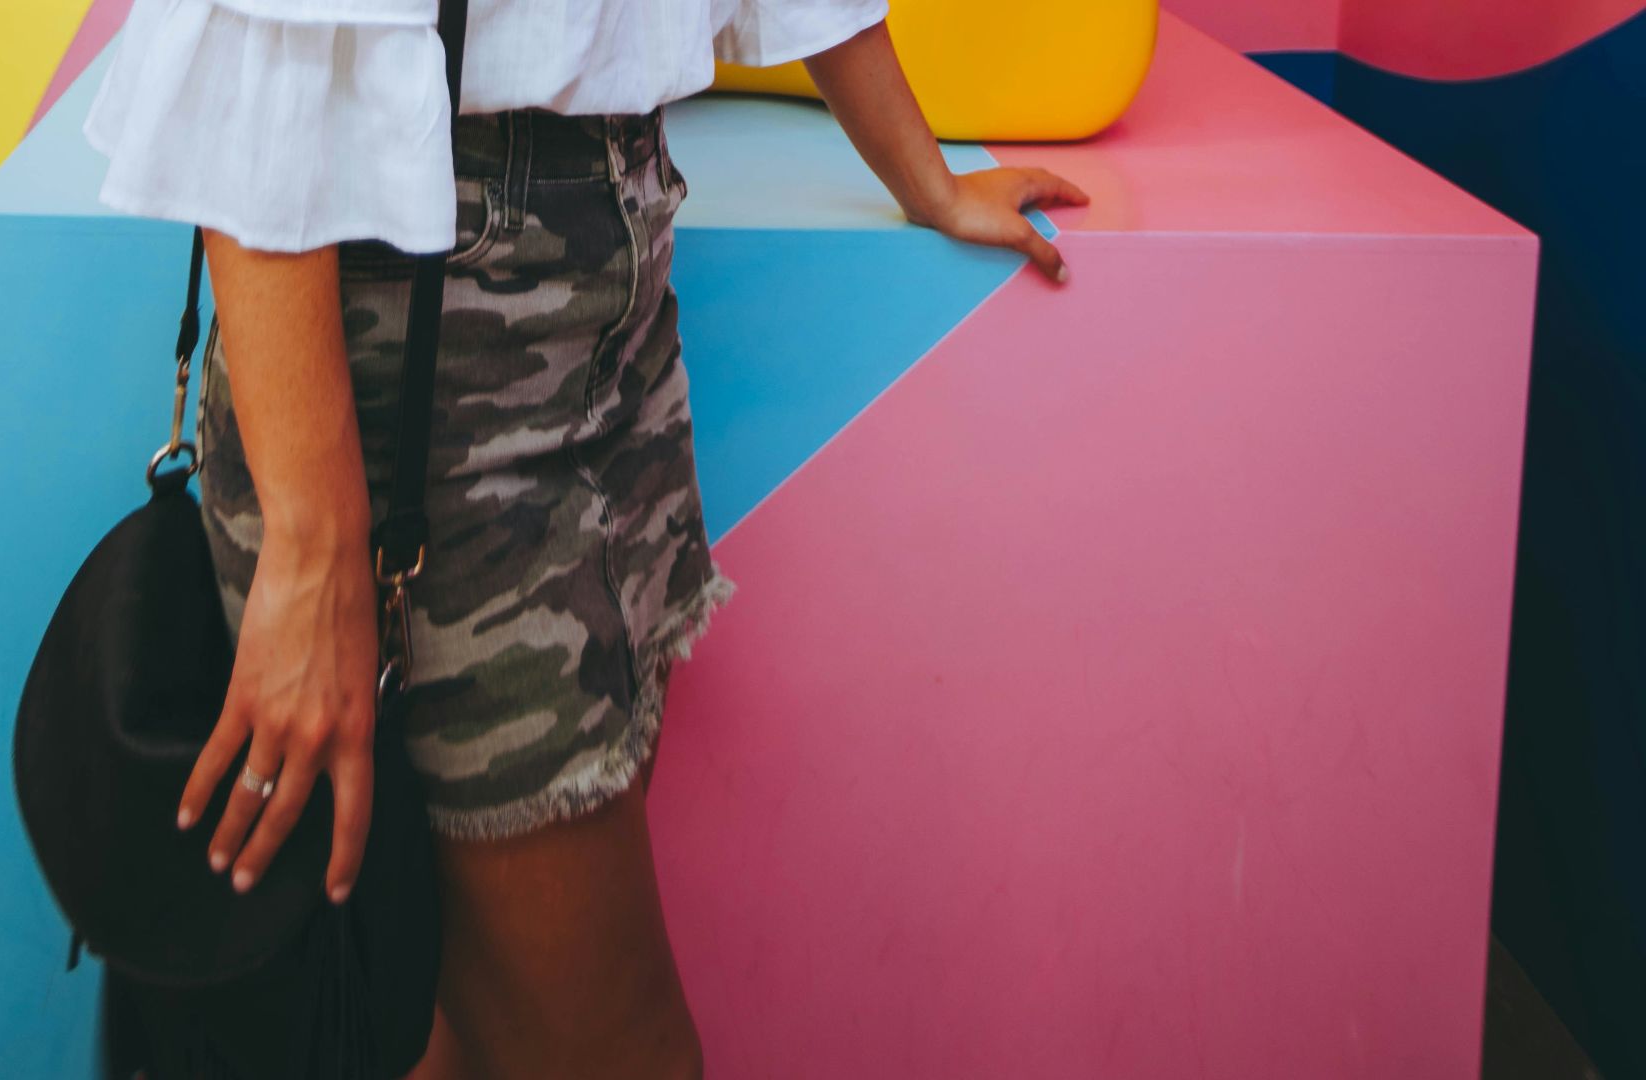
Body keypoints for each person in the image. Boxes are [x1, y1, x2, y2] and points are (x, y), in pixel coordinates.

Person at [82, 0, 1088, 1074]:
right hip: (421, 332)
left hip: (613, 281)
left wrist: (920, 175)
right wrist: (314, 545)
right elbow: (262, 52)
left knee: (461, 983)